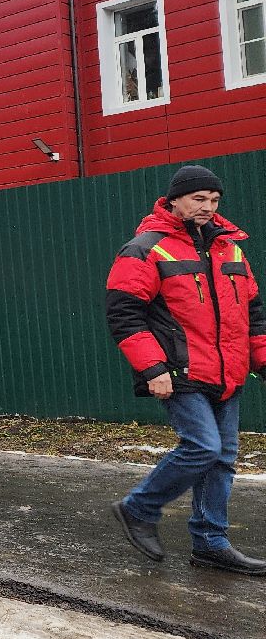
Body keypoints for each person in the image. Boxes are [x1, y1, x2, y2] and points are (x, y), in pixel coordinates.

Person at [106, 164, 266, 576]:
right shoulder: (147, 248)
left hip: (227, 374)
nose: (207, 207)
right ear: (174, 199)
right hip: (180, 371)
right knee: (203, 447)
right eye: (198, 199)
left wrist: (262, 359)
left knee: (222, 458)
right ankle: (139, 508)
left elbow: (253, 313)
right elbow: (124, 313)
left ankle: (211, 543)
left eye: (214, 200)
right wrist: (152, 367)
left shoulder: (230, 248)